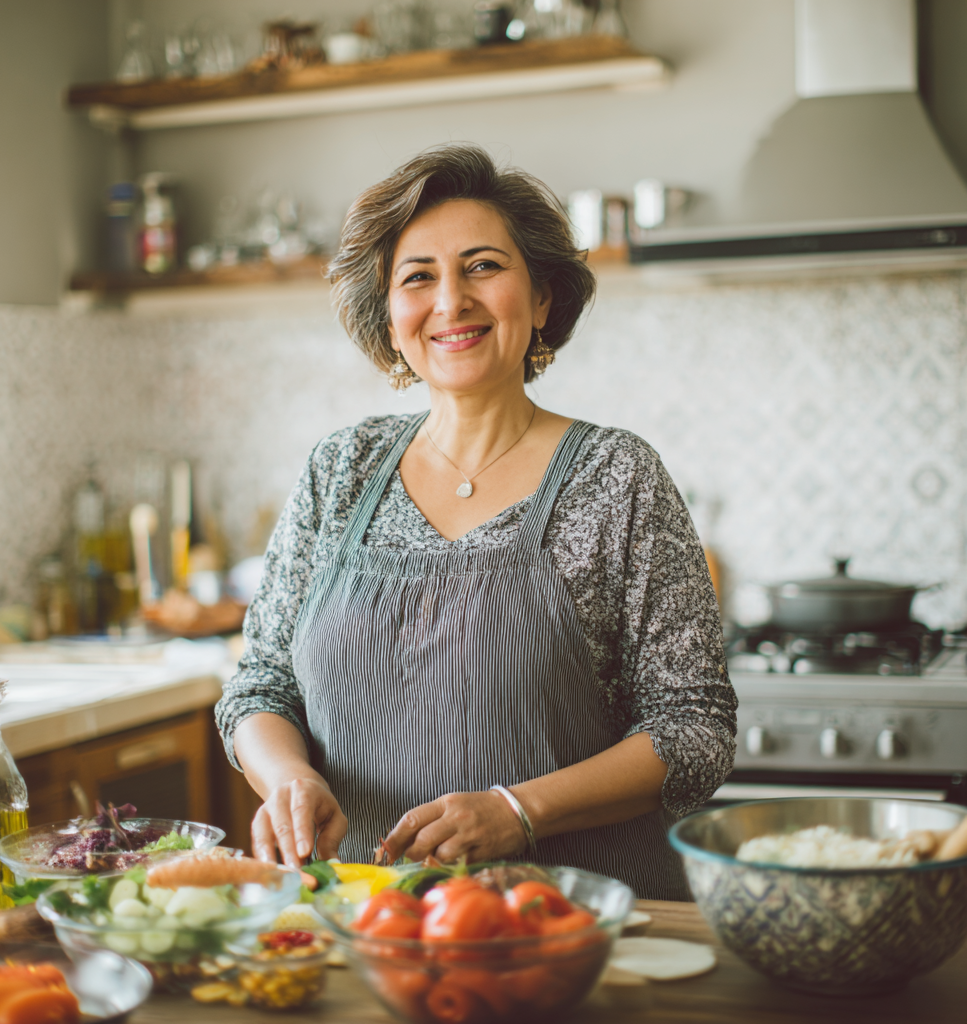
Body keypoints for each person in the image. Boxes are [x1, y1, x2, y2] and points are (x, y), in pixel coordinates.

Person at [216, 144, 736, 901]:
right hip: (363, 923)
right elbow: (260, 688)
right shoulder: (340, 470)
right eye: (417, 277)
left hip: (570, 930)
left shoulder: (616, 476)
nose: (450, 301)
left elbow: (695, 731)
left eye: (483, 267)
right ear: (390, 317)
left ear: (543, 298)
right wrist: (288, 777)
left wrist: (519, 811)